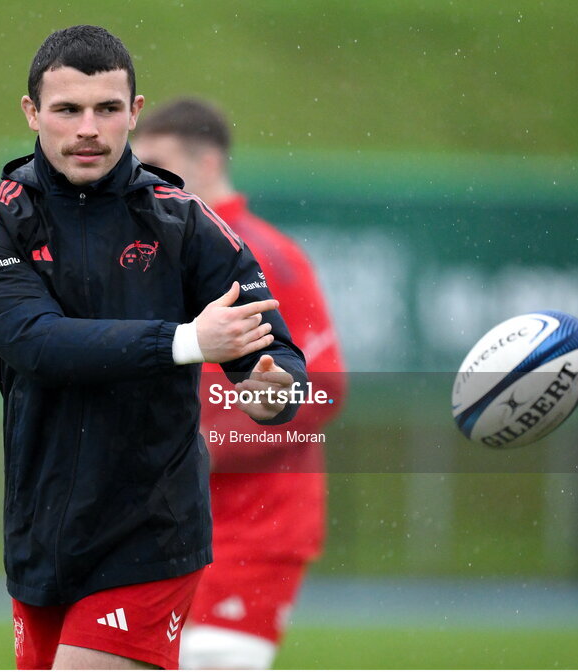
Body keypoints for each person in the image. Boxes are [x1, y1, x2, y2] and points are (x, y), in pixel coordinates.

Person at [0, 27, 306, 671]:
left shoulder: (187, 222)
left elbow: (275, 361)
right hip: (41, 532)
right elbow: (37, 344)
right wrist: (188, 341)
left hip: (152, 527)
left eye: (107, 109)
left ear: (133, 114)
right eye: (68, 110)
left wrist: (271, 391)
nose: (89, 128)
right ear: (32, 113)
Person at [132, 98, 346, 669]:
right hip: (165, 527)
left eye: (158, 164)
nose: (141, 179)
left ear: (206, 163)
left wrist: (206, 446)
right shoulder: (149, 255)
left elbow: (324, 389)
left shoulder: (267, 256)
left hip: (255, 528)